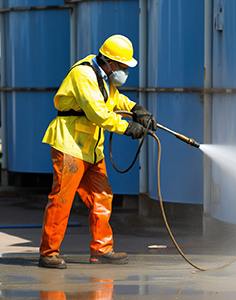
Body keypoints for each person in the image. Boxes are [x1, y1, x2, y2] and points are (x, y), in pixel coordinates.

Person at [38, 34, 156, 269]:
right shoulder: (83, 74)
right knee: (62, 199)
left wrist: (135, 108)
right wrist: (128, 127)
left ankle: (101, 250)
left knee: (102, 196)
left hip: (92, 148)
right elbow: (98, 113)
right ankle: (48, 253)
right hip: (70, 145)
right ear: (110, 63)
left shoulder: (102, 75)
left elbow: (114, 99)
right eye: (123, 67)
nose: (124, 71)